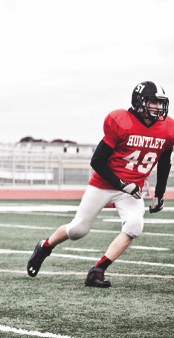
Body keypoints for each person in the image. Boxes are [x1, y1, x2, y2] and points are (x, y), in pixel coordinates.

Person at [27, 81, 174, 288]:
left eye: (160, 103)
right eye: (153, 102)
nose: (158, 108)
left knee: (135, 225)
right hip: (104, 184)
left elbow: (165, 162)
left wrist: (159, 194)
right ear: (140, 102)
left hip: (130, 190)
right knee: (78, 230)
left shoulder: (167, 128)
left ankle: (98, 270)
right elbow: (97, 162)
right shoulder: (120, 120)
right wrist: (122, 184)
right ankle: (44, 247)